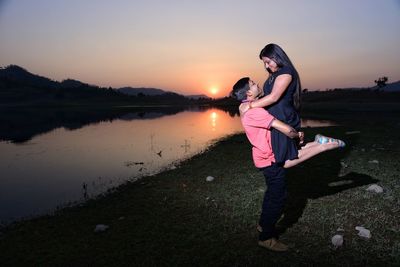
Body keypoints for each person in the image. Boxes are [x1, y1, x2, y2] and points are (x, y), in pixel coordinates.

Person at [231, 77, 345, 252]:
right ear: (248, 93)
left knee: (276, 186)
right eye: (253, 84)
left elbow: (264, 102)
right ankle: (266, 238)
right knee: (277, 199)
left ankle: (320, 145)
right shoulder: (255, 112)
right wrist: (295, 134)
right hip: (268, 159)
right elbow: (284, 128)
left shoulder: (244, 106)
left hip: (266, 156)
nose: (257, 84)